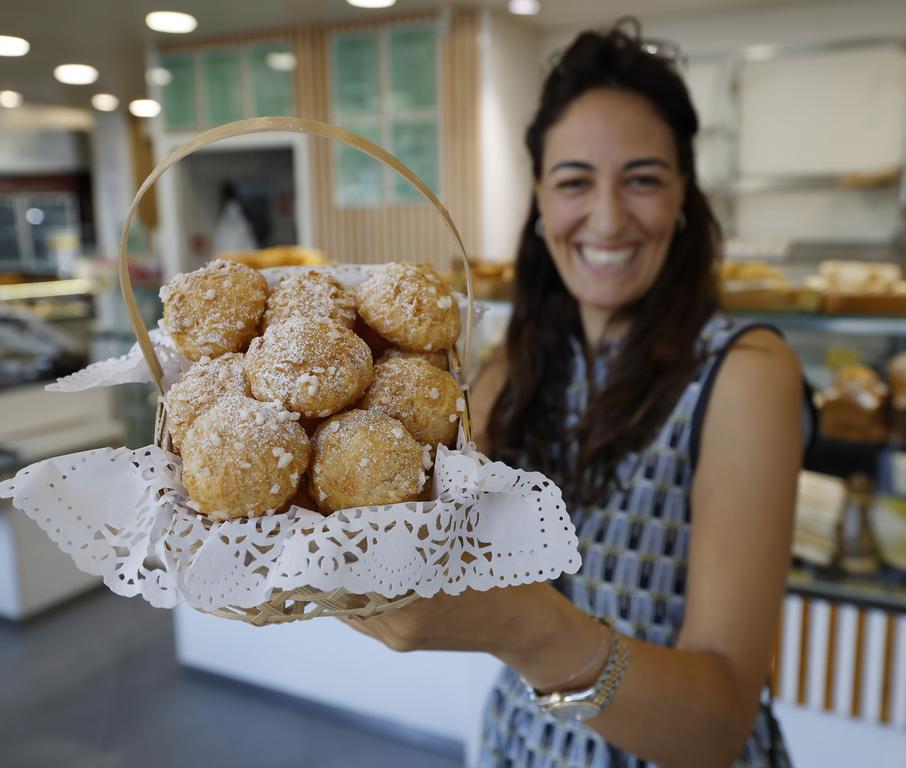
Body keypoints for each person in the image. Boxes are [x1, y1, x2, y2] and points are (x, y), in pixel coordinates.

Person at [341, 18, 804, 768]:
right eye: (575, 181)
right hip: (523, 746)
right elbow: (421, 520)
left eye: (644, 179)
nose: (610, 217)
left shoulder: (742, 373)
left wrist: (526, 629)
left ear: (684, 191)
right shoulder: (515, 363)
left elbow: (719, 726)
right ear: (540, 199)